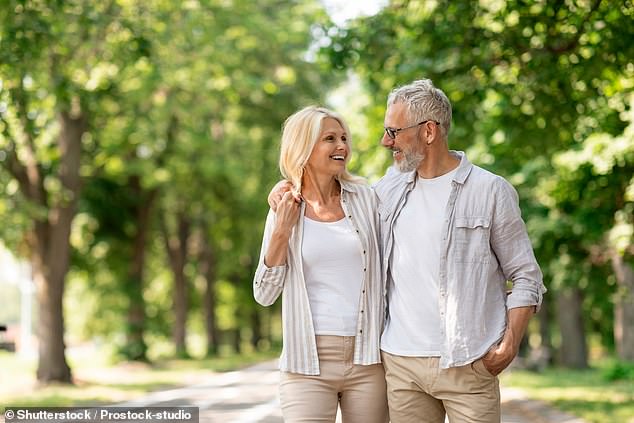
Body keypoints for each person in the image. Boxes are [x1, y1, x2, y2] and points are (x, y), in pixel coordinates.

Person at [269, 80, 546, 423]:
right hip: (400, 366)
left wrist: (509, 344)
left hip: (467, 362)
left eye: (394, 131)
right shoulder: (387, 190)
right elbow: (328, 192)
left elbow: (525, 276)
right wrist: (286, 187)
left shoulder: (490, 191)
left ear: (429, 131)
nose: (386, 141)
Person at [253, 106, 388, 423]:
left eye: (344, 138)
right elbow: (264, 293)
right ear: (303, 147)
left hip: (368, 357)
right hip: (306, 362)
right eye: (330, 138)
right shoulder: (284, 208)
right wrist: (282, 231)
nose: (342, 146)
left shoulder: (367, 199)